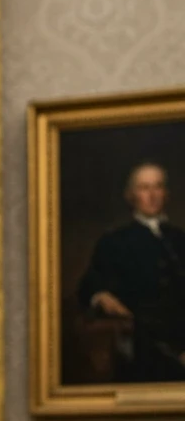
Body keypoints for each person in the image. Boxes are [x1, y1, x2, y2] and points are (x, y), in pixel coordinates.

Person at [77, 161, 185, 382]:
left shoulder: (181, 238)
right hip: (144, 343)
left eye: (158, 187)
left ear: (166, 194)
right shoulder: (114, 241)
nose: (152, 195)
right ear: (131, 196)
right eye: (144, 188)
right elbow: (89, 284)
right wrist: (101, 296)